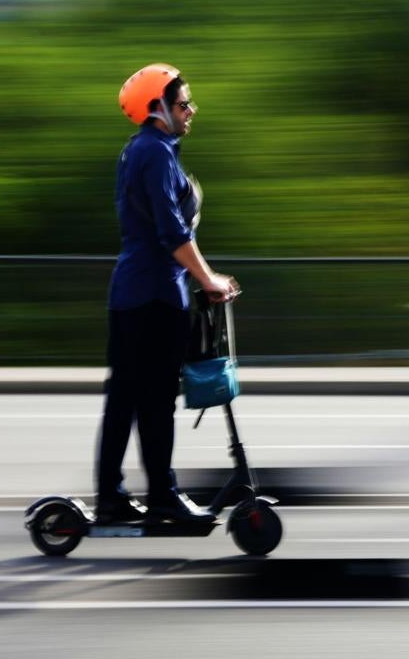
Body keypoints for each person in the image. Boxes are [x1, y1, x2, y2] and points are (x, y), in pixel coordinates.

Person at [95, 63, 240, 525]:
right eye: (183, 104)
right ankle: (158, 497)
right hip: (151, 296)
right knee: (151, 400)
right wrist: (208, 278)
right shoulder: (154, 152)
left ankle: (116, 498)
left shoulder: (148, 151)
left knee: (129, 399)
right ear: (158, 107)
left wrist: (198, 278)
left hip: (140, 294)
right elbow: (170, 230)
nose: (191, 110)